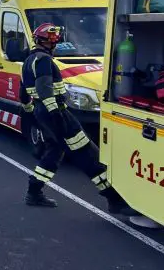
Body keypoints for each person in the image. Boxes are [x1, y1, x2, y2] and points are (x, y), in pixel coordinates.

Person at [20, 23, 137, 215]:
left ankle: (33, 192)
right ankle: (114, 200)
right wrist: (56, 116)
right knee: (87, 153)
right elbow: (44, 90)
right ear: (48, 41)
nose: (56, 41)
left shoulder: (28, 61)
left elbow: (23, 95)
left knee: (54, 151)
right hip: (56, 112)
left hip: (42, 112)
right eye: (54, 38)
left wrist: (32, 114)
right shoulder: (44, 61)